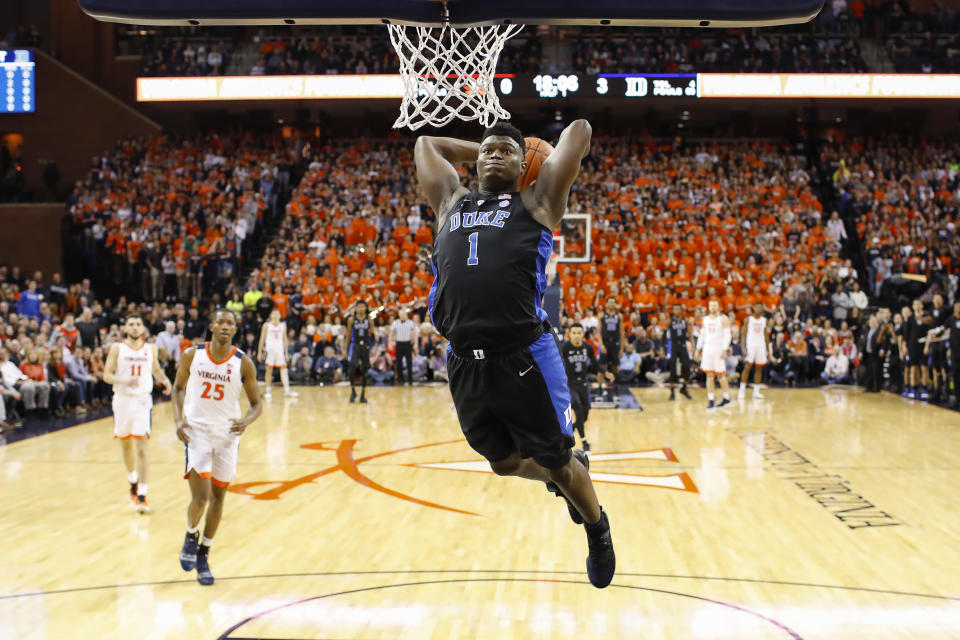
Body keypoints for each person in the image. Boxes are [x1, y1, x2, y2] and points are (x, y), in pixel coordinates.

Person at [415, 119, 614, 588]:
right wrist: (485, 145)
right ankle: (558, 477)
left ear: (525, 163)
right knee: (503, 463)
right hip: (464, 357)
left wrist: (526, 152)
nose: (494, 155)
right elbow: (425, 141)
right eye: (489, 151)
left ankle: (597, 528)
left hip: (525, 355)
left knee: (561, 465)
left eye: (507, 151)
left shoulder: (538, 201)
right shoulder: (450, 200)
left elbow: (582, 129)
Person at [173, 309, 262, 586]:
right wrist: (179, 419)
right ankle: (190, 534)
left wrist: (246, 420)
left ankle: (204, 552)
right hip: (198, 432)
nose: (225, 326)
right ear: (211, 325)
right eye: (221, 322)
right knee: (200, 498)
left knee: (219, 498)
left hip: (226, 436)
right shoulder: (192, 355)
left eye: (230, 323)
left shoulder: (243, 363)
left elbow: (257, 404)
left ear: (235, 330)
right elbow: (178, 388)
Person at [102, 311, 172, 513]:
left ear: (143, 328)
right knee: (126, 446)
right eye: (130, 323)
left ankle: (142, 493)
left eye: (137, 324)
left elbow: (156, 370)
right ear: (125, 328)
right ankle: (132, 480)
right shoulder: (117, 348)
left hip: (142, 400)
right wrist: (124, 381)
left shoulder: (150, 348)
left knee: (142, 447)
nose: (134, 327)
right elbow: (107, 375)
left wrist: (166, 382)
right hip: (122, 400)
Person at [561, 323, 611, 452]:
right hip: (570, 384)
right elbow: (558, 364)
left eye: (579, 333)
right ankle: (584, 441)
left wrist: (605, 373)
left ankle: (572, 428)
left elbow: (594, 364)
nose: (577, 335)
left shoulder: (587, 347)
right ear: (570, 334)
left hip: (583, 383)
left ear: (583, 334)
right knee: (577, 407)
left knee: (586, 414)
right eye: (574, 333)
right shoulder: (565, 347)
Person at [696, 299, 732, 409]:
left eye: (714, 305)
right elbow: (702, 335)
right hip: (707, 350)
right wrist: (698, 349)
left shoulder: (723, 318)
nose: (712, 307)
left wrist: (724, 349)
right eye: (710, 305)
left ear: (719, 306)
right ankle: (710, 400)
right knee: (709, 375)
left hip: (718, 349)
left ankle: (726, 398)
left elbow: (727, 335)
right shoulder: (705, 319)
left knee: (721, 375)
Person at [258, 308, 297, 399]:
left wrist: (286, 353)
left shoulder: (283, 325)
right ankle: (268, 391)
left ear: (280, 315)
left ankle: (287, 390)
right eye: (273, 313)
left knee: (284, 370)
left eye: (277, 314)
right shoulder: (266, 325)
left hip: (280, 351)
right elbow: (262, 339)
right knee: (269, 370)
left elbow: (285, 339)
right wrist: (259, 352)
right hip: (270, 351)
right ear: (270, 315)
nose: (275, 315)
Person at [739, 303, 768, 399]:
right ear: (753, 308)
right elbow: (743, 334)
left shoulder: (764, 320)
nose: (759, 308)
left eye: (761, 307)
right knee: (747, 367)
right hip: (751, 345)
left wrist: (767, 349)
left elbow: (766, 335)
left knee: (759, 368)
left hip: (761, 346)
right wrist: (743, 347)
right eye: (757, 306)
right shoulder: (748, 319)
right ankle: (742, 390)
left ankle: (756, 391)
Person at [346, 300, 372, 403]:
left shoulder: (369, 320)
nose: (361, 308)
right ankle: (353, 391)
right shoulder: (351, 319)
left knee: (365, 371)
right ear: (355, 308)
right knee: (352, 368)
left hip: (365, 346)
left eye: (363, 306)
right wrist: (346, 349)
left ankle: (363, 394)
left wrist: (373, 348)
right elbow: (348, 335)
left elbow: (372, 335)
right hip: (355, 345)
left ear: (366, 308)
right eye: (359, 306)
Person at [666, 304, 692, 401]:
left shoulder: (685, 321)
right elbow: (665, 332)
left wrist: (692, 346)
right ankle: (672, 392)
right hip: (673, 345)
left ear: (681, 310)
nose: (676, 310)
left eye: (678, 309)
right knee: (672, 367)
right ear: (672, 310)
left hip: (683, 345)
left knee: (687, 366)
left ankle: (684, 388)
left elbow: (689, 334)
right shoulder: (670, 321)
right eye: (674, 309)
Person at [390, 308, 419, 385]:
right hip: (399, 344)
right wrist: (389, 343)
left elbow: (415, 333)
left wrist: (416, 343)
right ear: (399, 315)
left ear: (406, 315)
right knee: (399, 363)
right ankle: (400, 379)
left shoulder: (410, 323)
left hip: (407, 344)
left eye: (404, 314)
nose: (403, 315)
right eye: (401, 314)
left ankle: (410, 380)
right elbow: (391, 333)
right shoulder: (395, 323)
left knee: (409, 362)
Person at [598, 296, 624, 376]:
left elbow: (622, 333)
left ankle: (616, 385)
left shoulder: (619, 316)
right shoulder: (601, 315)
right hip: (605, 343)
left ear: (616, 304)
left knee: (615, 367)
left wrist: (621, 348)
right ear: (606, 304)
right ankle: (600, 387)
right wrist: (601, 345)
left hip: (615, 344)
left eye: (613, 302)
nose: (611, 304)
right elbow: (599, 332)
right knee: (602, 367)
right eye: (610, 302)